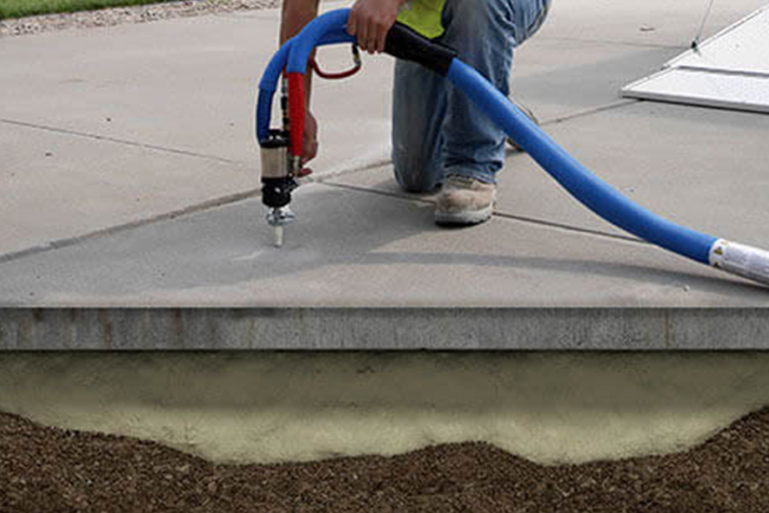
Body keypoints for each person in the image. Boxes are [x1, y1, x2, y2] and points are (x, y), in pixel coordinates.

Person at [280, 0, 550, 225]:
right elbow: (299, 10)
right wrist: (298, 108)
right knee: (417, 175)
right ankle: (490, 102)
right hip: (427, 17)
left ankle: (473, 166)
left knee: (474, 6)